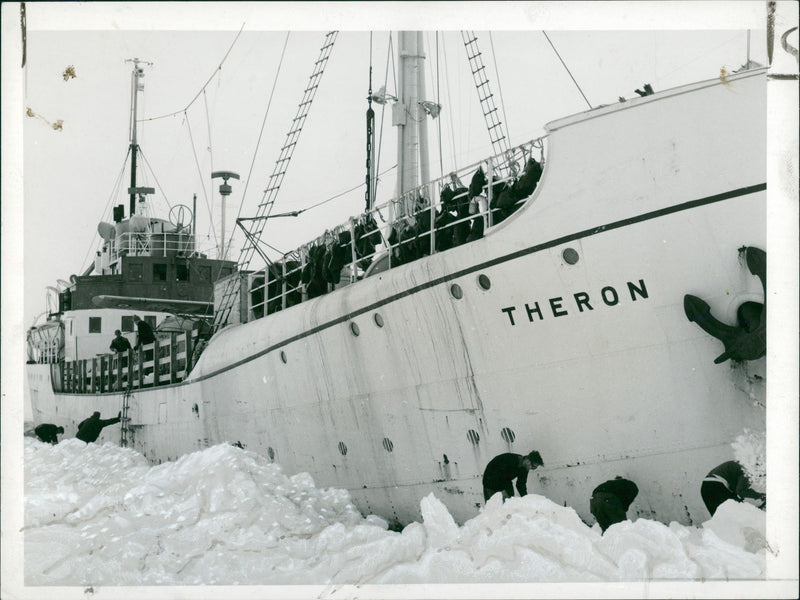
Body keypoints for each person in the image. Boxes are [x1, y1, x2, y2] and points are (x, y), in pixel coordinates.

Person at [701, 460, 765, 516]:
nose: (759, 477)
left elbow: (736, 491)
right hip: (716, 485)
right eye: (761, 475)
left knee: (718, 519)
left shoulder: (741, 464)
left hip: (705, 487)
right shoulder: (748, 470)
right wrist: (760, 496)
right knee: (733, 513)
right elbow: (741, 491)